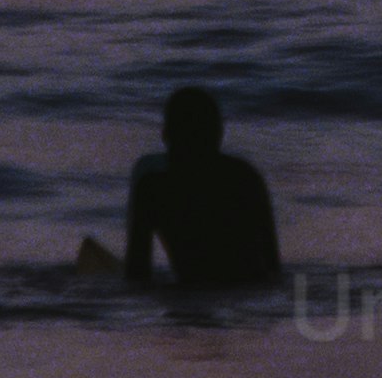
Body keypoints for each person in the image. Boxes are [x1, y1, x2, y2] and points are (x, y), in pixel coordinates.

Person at [120, 81, 282, 290]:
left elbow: (138, 273)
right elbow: (273, 267)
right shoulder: (244, 176)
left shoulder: (153, 189)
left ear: (166, 135)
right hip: (248, 295)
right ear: (218, 134)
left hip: (190, 293)